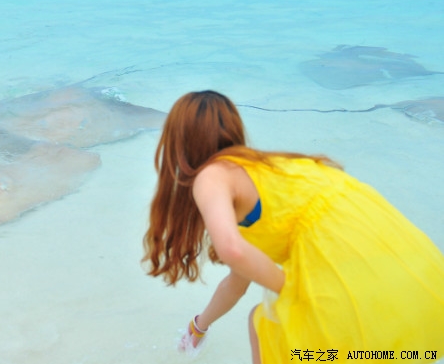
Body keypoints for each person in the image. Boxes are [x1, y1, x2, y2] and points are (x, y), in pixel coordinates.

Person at [142, 91, 444, 363]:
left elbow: (232, 250)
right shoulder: (270, 170)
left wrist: (292, 293)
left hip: (338, 266)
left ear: (179, 143)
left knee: (265, 328)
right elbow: (236, 282)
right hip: (404, 260)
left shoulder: (213, 174)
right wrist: (199, 326)